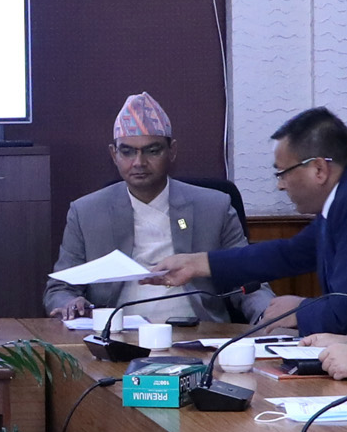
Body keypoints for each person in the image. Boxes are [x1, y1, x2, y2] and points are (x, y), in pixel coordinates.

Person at [159, 106, 347, 339]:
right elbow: (290, 253)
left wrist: (299, 310)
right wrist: (199, 263)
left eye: (283, 173)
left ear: (319, 169)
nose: (280, 185)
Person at [47, 92, 249, 327]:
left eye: (152, 151)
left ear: (172, 151)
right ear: (114, 154)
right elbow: (60, 288)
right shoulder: (86, 212)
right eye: (127, 151)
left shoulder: (214, 207)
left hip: (200, 332)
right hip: (116, 333)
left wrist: (268, 315)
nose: (139, 162)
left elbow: (247, 279)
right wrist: (70, 302)